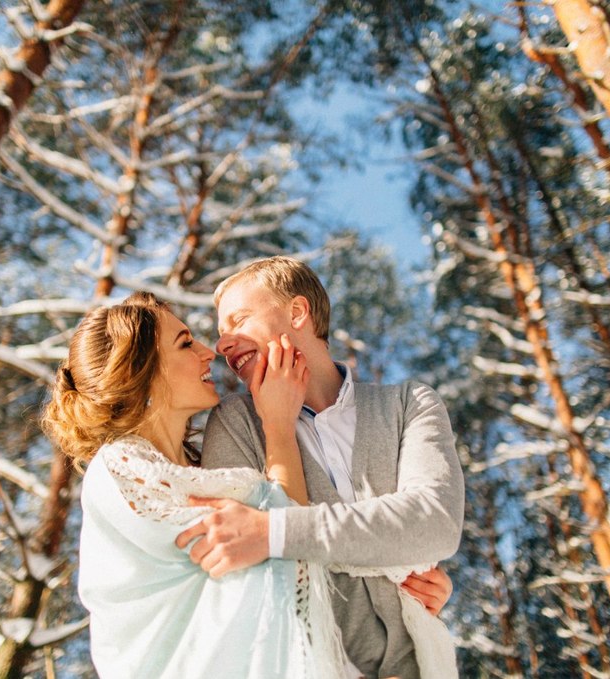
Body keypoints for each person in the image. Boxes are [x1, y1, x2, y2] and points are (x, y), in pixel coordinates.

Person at [175, 256, 464, 678]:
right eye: (221, 333)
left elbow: (434, 524)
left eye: (239, 320)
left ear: (297, 312)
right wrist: (393, 556)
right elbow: (241, 562)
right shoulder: (235, 423)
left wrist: (273, 532)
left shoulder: (409, 405)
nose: (222, 345)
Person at [41, 292, 349, 677]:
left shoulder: (205, 471)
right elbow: (283, 541)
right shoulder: (119, 471)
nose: (208, 352)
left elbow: (285, 535)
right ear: (140, 370)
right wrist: (277, 424)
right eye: (185, 343)